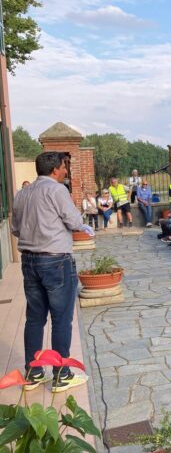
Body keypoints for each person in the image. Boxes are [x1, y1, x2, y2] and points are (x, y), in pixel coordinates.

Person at [12, 151, 94, 392]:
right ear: (55, 169)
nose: (66, 171)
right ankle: (61, 374)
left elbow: (16, 229)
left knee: (35, 318)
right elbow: (75, 221)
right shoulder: (57, 190)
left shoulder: (22, 193)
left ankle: (34, 372)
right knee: (61, 319)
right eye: (64, 167)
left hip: (29, 261)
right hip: (56, 261)